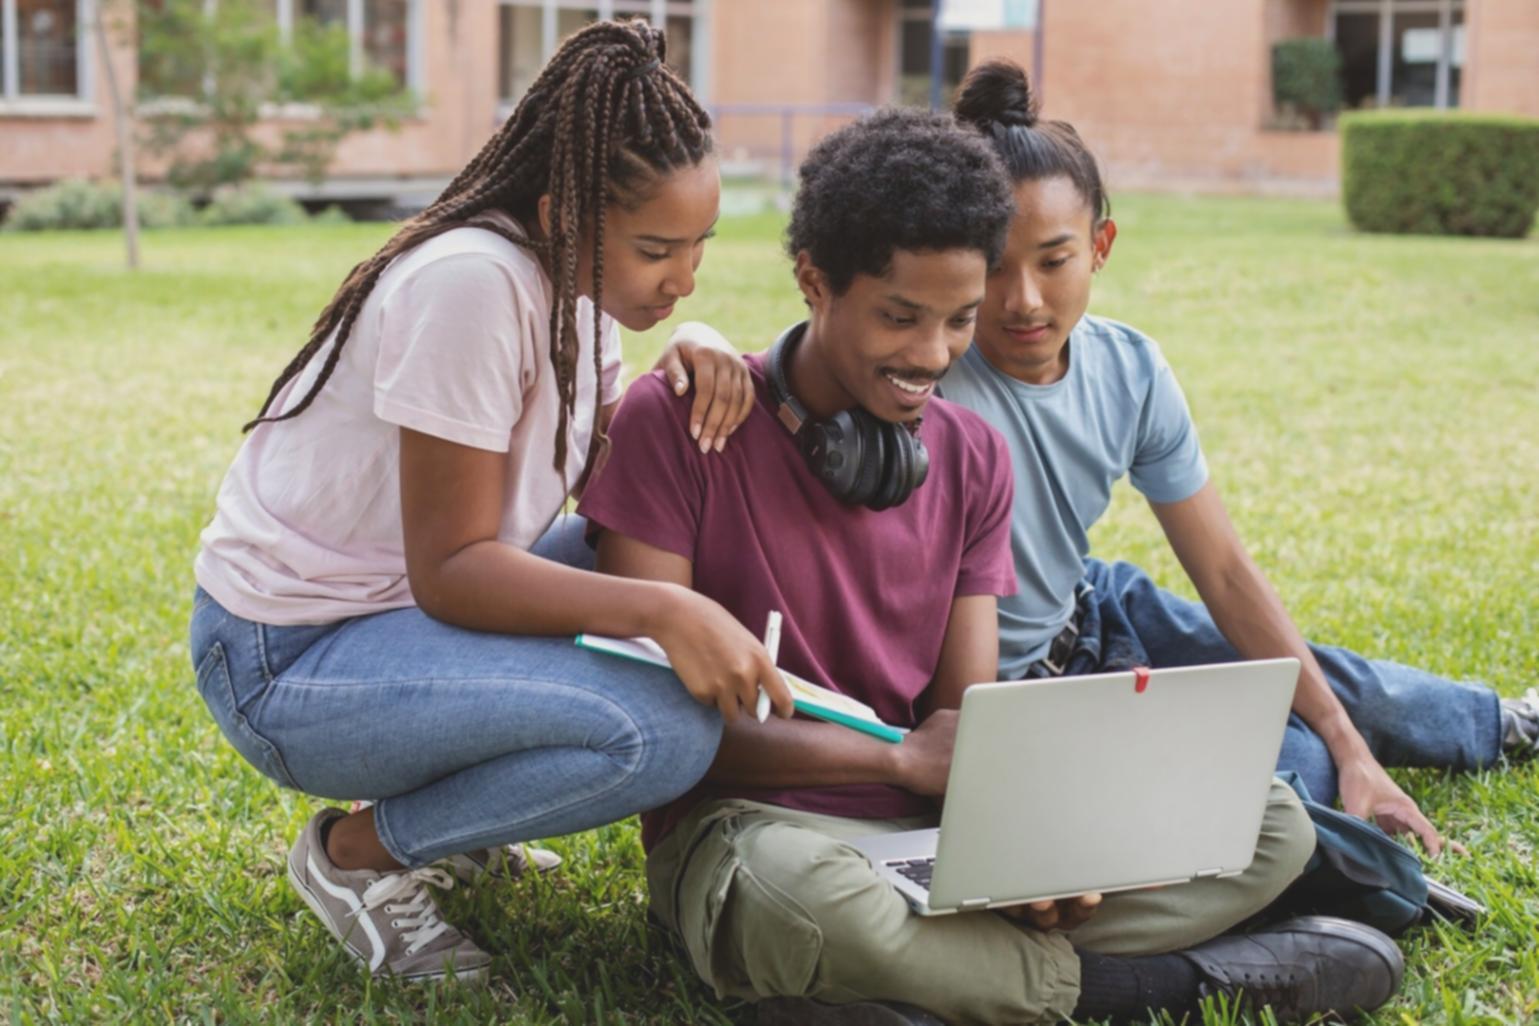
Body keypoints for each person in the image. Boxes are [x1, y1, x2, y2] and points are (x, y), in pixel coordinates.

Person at [578, 107, 1403, 1026]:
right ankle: (1154, 992)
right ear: (813, 281)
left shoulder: (972, 455)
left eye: (957, 320)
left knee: (1267, 825)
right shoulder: (678, 424)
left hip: (931, 837)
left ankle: (917, 993)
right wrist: (898, 767)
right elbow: (658, 730)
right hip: (762, 830)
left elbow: (965, 721)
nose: (931, 356)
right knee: (799, 902)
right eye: (899, 317)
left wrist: (1033, 859)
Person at [188, 20, 793, 984]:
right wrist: (664, 609)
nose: (682, 278)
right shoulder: (471, 282)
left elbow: (597, 489)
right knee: (660, 729)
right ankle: (357, 860)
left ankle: (467, 811)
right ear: (560, 216)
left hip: (393, 616)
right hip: (287, 655)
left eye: (699, 248)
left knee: (659, 546)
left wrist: (676, 366)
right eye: (655, 249)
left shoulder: (575, 287)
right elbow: (455, 573)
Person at [931, 59, 1539, 858]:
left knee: (1315, 686)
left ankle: (1503, 725)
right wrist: (701, 343)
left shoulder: (1131, 370)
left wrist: (1356, 749)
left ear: (1100, 247)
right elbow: (800, 368)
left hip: (1093, 611)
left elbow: (1221, 573)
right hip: (1016, 694)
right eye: (995, 266)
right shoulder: (923, 374)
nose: (1024, 301)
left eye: (1052, 260)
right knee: (1297, 774)